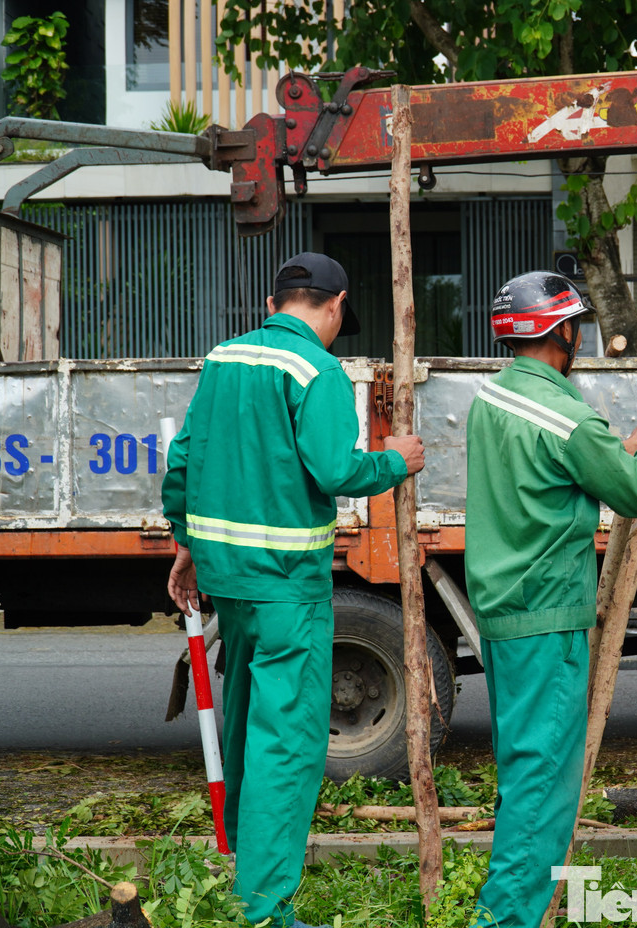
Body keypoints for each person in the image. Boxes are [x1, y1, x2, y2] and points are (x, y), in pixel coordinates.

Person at [162, 253, 425, 928]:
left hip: (230, 582)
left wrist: (185, 545)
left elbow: (185, 457)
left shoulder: (224, 358)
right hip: (287, 588)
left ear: (278, 300)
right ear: (333, 306)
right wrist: (399, 460)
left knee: (251, 721)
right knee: (287, 741)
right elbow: (337, 468)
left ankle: (246, 867)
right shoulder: (318, 371)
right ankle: (264, 906)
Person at [464, 271, 637, 928]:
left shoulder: (490, 400)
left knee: (521, 779)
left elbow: (573, 475)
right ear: (562, 332)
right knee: (542, 797)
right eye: (577, 325)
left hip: (504, 616)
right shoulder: (567, 416)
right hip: (547, 620)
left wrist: (627, 450)